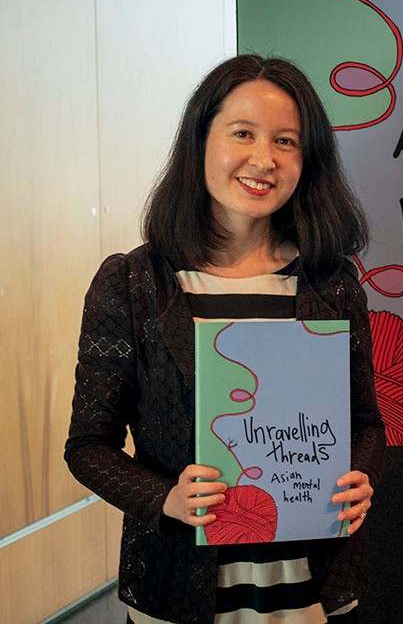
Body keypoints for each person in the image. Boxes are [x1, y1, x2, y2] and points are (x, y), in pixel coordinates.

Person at [65, 55, 385, 623]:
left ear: (307, 161)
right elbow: (89, 446)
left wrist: (359, 477)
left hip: (311, 585)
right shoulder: (135, 284)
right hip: (180, 585)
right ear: (201, 141)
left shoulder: (330, 282)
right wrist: (165, 498)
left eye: (286, 141)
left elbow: (364, 423)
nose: (264, 159)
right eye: (243, 133)